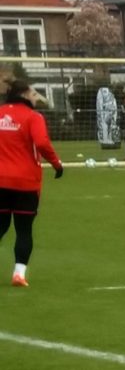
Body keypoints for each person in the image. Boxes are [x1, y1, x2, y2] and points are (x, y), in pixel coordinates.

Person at [0, 80, 65, 287]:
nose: (35, 98)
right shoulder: (33, 117)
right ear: (25, 95)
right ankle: (19, 274)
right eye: (33, 94)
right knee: (24, 229)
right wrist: (57, 164)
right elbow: (42, 142)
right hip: (26, 183)